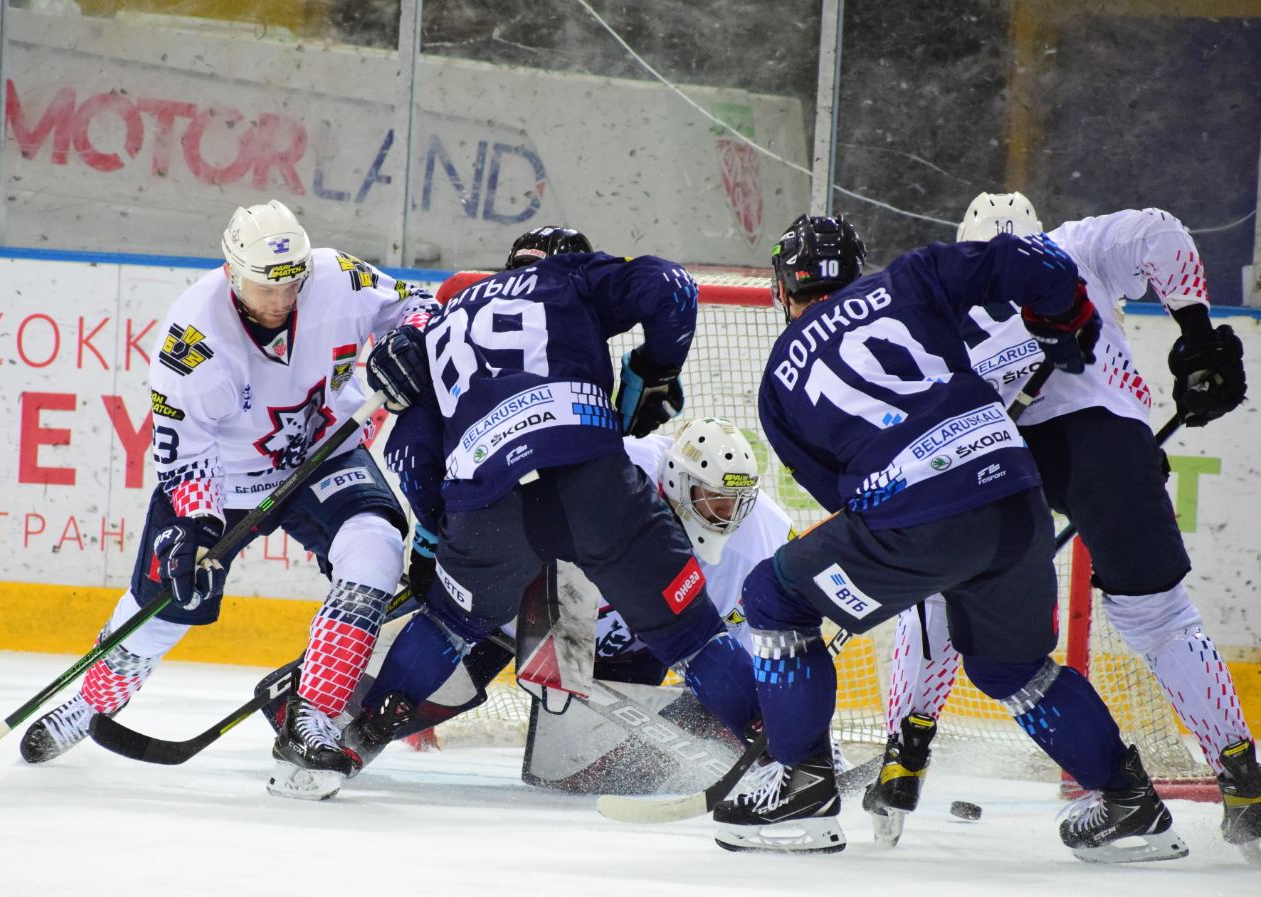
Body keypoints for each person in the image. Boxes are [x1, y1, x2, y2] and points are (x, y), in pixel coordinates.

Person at [716, 213, 1188, 863]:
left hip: (919, 519)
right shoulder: (910, 279)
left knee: (774, 596)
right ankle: (1129, 802)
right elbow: (1033, 261)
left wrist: (913, 560)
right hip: (1015, 498)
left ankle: (801, 781)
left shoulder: (778, 379)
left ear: (782, 289)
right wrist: (1067, 313)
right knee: (1010, 667)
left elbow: (843, 501)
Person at [287, 226, 762, 806]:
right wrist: (655, 367)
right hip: (590, 479)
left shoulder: (445, 317)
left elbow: (410, 450)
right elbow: (672, 286)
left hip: (487, 505)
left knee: (447, 625)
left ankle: (357, 739)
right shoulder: (571, 279)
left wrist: (437, 536)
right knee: (693, 636)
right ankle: (785, 752)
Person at [870, 194, 1258, 856]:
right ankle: (1245, 782)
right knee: (1162, 618)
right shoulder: (1072, 244)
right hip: (1107, 444)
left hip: (996, 462)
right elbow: (1161, 232)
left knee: (937, 593)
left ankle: (905, 756)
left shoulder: (942, 301)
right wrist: (1196, 334)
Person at [19, 200, 438, 799]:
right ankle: (88, 704)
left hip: (327, 453)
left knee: (375, 549)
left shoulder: (338, 276)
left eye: (292, 284)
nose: (282, 300)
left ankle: (312, 720)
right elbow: (185, 449)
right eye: (266, 287)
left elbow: (418, 304)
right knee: (165, 607)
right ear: (232, 272)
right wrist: (195, 523)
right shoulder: (192, 338)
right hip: (224, 480)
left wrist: (411, 341)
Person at [266, 416, 796, 801]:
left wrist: (768, 719)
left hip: (630, 644)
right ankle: (322, 712)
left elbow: (737, 645)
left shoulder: (761, 536)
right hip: (525, 604)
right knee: (426, 695)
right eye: (713, 501)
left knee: (584, 771)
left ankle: (787, 754)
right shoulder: (619, 468)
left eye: (734, 504)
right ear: (676, 482)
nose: (725, 516)